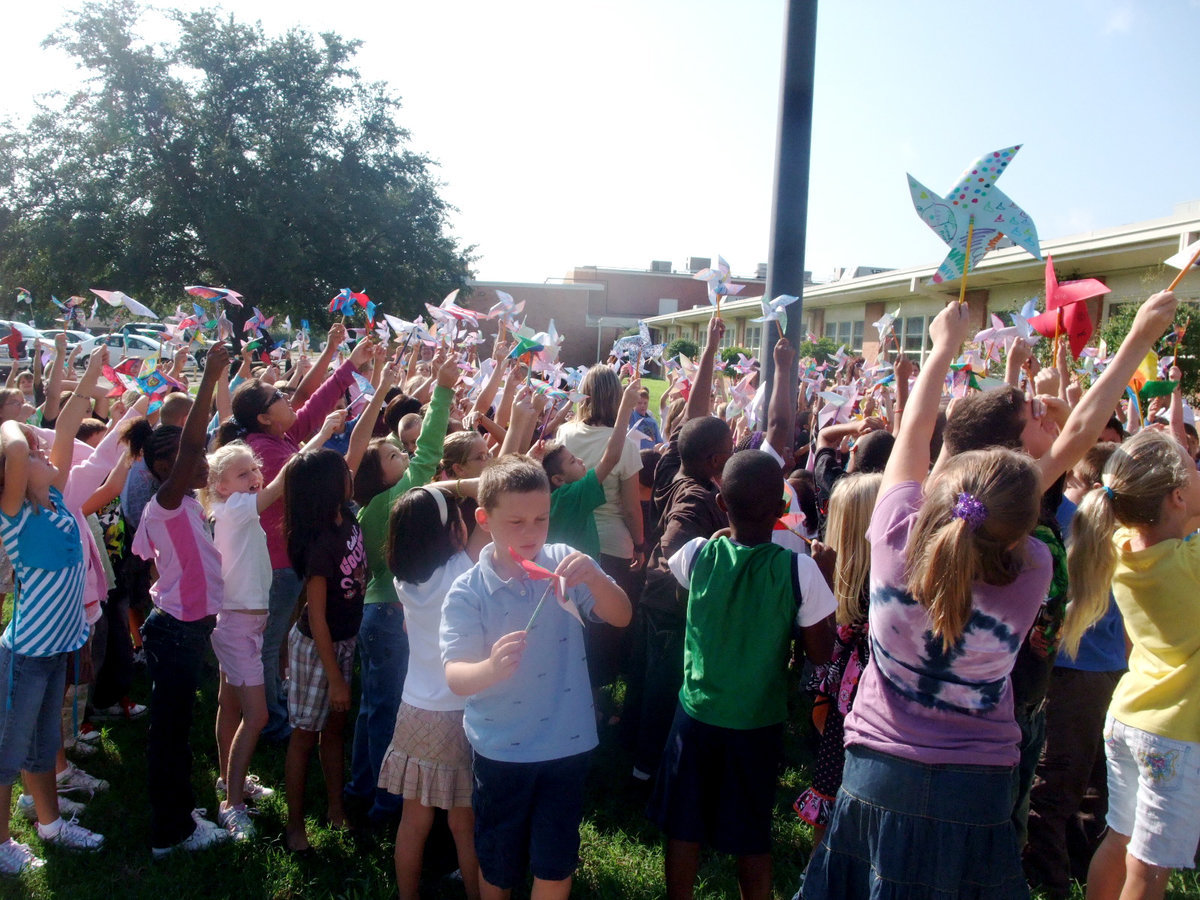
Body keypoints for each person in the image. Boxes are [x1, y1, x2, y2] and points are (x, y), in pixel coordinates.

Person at [802, 301, 1053, 898]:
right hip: (980, 789)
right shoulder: (1034, 567)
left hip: (876, 773)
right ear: (1023, 523)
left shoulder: (893, 535)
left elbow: (912, 439)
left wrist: (941, 349)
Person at [441, 456, 631, 900]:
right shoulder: (469, 591)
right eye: (517, 521)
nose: (531, 532)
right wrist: (489, 668)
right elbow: (455, 676)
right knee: (499, 863)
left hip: (567, 743)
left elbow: (621, 616)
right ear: (484, 520)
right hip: (502, 750)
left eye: (541, 519)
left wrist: (597, 580)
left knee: (555, 857)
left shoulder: (564, 563)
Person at [648, 450, 835, 900]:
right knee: (751, 834)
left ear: (722, 503)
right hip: (757, 722)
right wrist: (825, 578)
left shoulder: (696, 554)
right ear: (780, 510)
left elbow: (687, 596)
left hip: (696, 713)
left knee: (684, 825)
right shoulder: (799, 569)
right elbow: (821, 651)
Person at [217, 324, 371, 745]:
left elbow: (309, 407)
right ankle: (268, 720)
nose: (289, 400)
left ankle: (270, 703)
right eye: (279, 398)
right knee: (266, 646)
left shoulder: (277, 434)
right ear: (265, 417)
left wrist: (346, 367)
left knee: (276, 640)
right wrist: (322, 435)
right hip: (276, 563)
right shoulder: (262, 449)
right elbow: (293, 471)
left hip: (288, 559)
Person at [1065, 429, 1200, 900]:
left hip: (1127, 718)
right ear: (1179, 496)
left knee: (1120, 839)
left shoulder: (1120, 544)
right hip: (1175, 735)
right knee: (1149, 867)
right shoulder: (1191, 562)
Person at [0, 350, 110, 874]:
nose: (49, 454)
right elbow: (14, 443)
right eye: (38, 457)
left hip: (56, 647)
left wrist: (89, 373)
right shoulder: (15, 516)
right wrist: (19, 427)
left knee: (44, 742)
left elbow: (65, 422)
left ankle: (48, 824)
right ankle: (1, 845)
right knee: (7, 750)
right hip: (26, 654)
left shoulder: (58, 500)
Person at [347, 351, 457, 827]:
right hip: (393, 617)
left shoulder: (369, 508)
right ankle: (387, 804)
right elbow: (431, 452)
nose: (406, 456)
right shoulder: (394, 500)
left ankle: (361, 785)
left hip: (375, 615)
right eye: (395, 456)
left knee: (373, 706)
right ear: (382, 476)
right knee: (390, 711)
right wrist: (444, 389)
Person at [130, 345, 232, 857]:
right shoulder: (166, 501)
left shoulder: (183, 504)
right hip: (176, 630)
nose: (204, 461)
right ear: (169, 464)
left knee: (175, 728)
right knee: (167, 734)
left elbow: (154, 564)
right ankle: (171, 832)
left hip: (179, 626)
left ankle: (179, 808)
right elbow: (193, 440)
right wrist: (210, 377)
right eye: (193, 456)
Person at [380, 485, 480, 900]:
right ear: (450, 531)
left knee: (413, 820)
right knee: (464, 823)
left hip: (415, 709)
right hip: (456, 712)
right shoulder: (461, 570)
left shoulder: (405, 578)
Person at [201, 440, 290, 840]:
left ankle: (227, 780)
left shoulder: (231, 510)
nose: (255, 477)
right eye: (243, 473)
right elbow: (278, 487)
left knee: (229, 703)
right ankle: (232, 806)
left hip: (239, 622)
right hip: (238, 626)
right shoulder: (235, 509)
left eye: (255, 469)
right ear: (219, 485)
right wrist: (318, 440)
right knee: (258, 716)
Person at [282, 448, 369, 853]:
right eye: (344, 471)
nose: (351, 472)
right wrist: (335, 679)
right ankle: (295, 824)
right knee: (304, 735)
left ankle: (336, 808)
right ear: (328, 487)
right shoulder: (320, 544)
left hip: (344, 641)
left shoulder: (347, 517)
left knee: (333, 730)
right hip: (319, 650)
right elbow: (316, 617)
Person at [793, 472, 881, 848]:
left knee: (834, 783)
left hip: (845, 707)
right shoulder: (886, 588)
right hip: (871, 706)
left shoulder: (837, 579)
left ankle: (820, 871)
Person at [556, 365, 645, 702]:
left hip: (569, 543)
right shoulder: (625, 444)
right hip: (612, 543)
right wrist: (639, 543)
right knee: (603, 627)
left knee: (570, 623)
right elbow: (630, 507)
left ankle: (569, 690)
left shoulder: (563, 435)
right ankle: (595, 694)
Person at [540, 376, 642, 561]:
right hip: (610, 547)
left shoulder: (563, 432)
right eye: (572, 461)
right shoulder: (579, 491)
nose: (580, 460)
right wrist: (626, 408)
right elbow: (611, 459)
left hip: (564, 552)